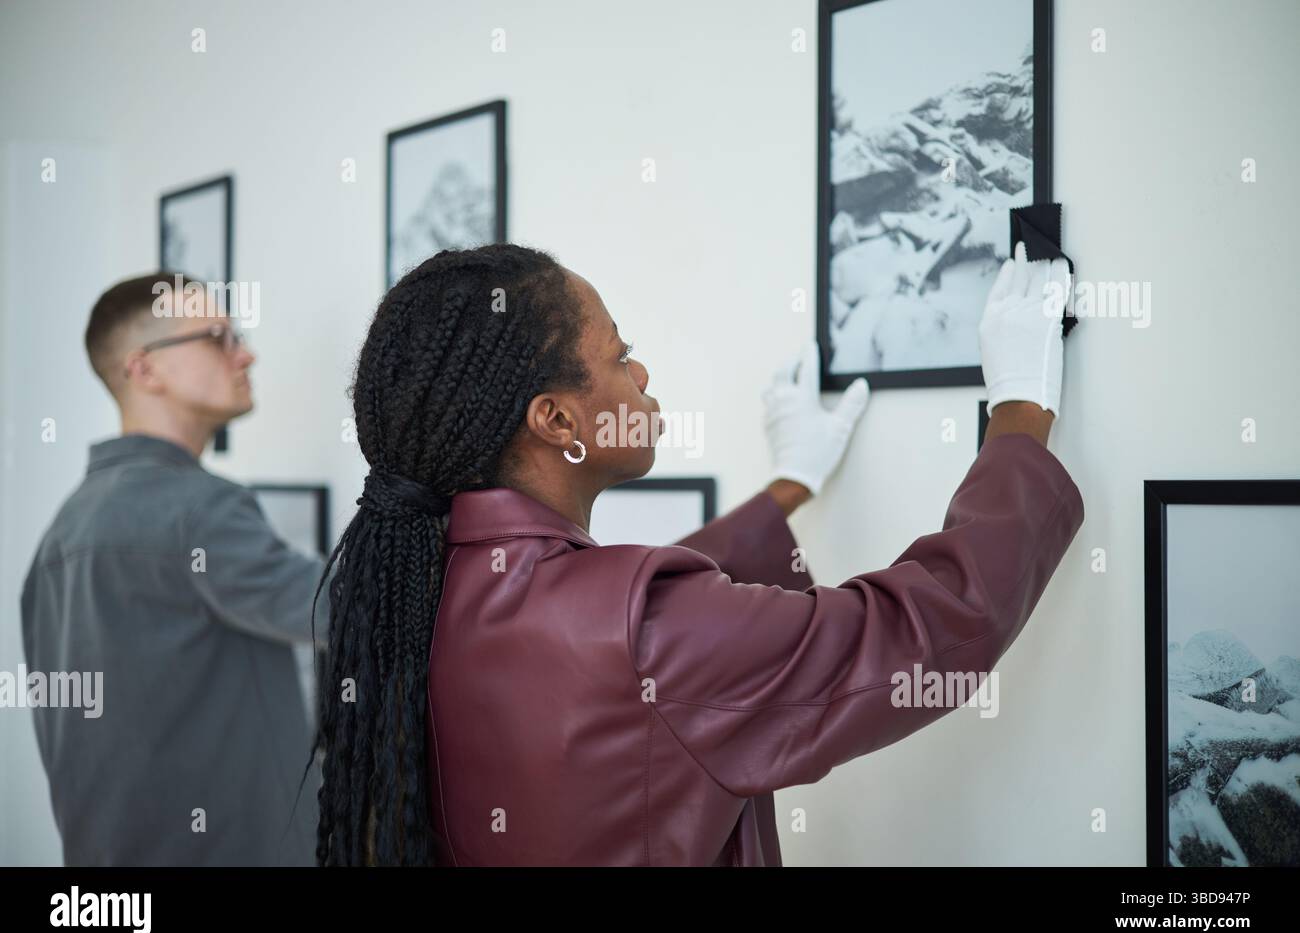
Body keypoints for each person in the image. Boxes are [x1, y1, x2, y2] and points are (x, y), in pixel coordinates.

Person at [314, 241, 1081, 866]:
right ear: (554, 419)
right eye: (621, 355)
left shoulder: (416, 586)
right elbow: (924, 628)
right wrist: (1019, 409)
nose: (642, 375)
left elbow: (627, 625)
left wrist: (789, 488)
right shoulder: (645, 633)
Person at [20, 273, 327, 865]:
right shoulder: (199, 510)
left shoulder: (61, 534)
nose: (246, 353)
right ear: (145, 368)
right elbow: (345, 607)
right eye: (218, 336)